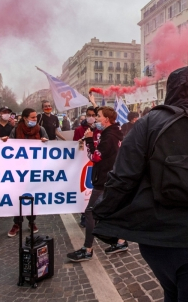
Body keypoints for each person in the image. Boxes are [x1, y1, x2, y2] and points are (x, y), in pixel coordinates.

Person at [92, 66, 188, 301]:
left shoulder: (148, 123)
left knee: (171, 292)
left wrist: (102, 215)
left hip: (157, 240)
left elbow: (122, 177)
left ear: (170, 91)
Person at [66, 106, 124, 262]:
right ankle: (121, 241)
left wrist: (90, 140)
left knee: (90, 212)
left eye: (98, 116)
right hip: (111, 177)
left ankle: (87, 249)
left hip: (104, 179)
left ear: (106, 119)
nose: (96, 119)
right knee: (113, 210)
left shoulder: (110, 136)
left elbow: (95, 157)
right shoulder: (114, 133)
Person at [5, 108, 49, 237]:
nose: (35, 119)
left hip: (35, 168)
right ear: (25, 118)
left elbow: (50, 147)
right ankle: (17, 223)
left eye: (36, 117)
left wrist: (45, 143)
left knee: (32, 196)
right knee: (18, 197)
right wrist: (4, 142)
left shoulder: (41, 130)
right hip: (19, 170)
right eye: (33, 117)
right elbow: (9, 148)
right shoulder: (15, 130)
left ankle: (32, 221)